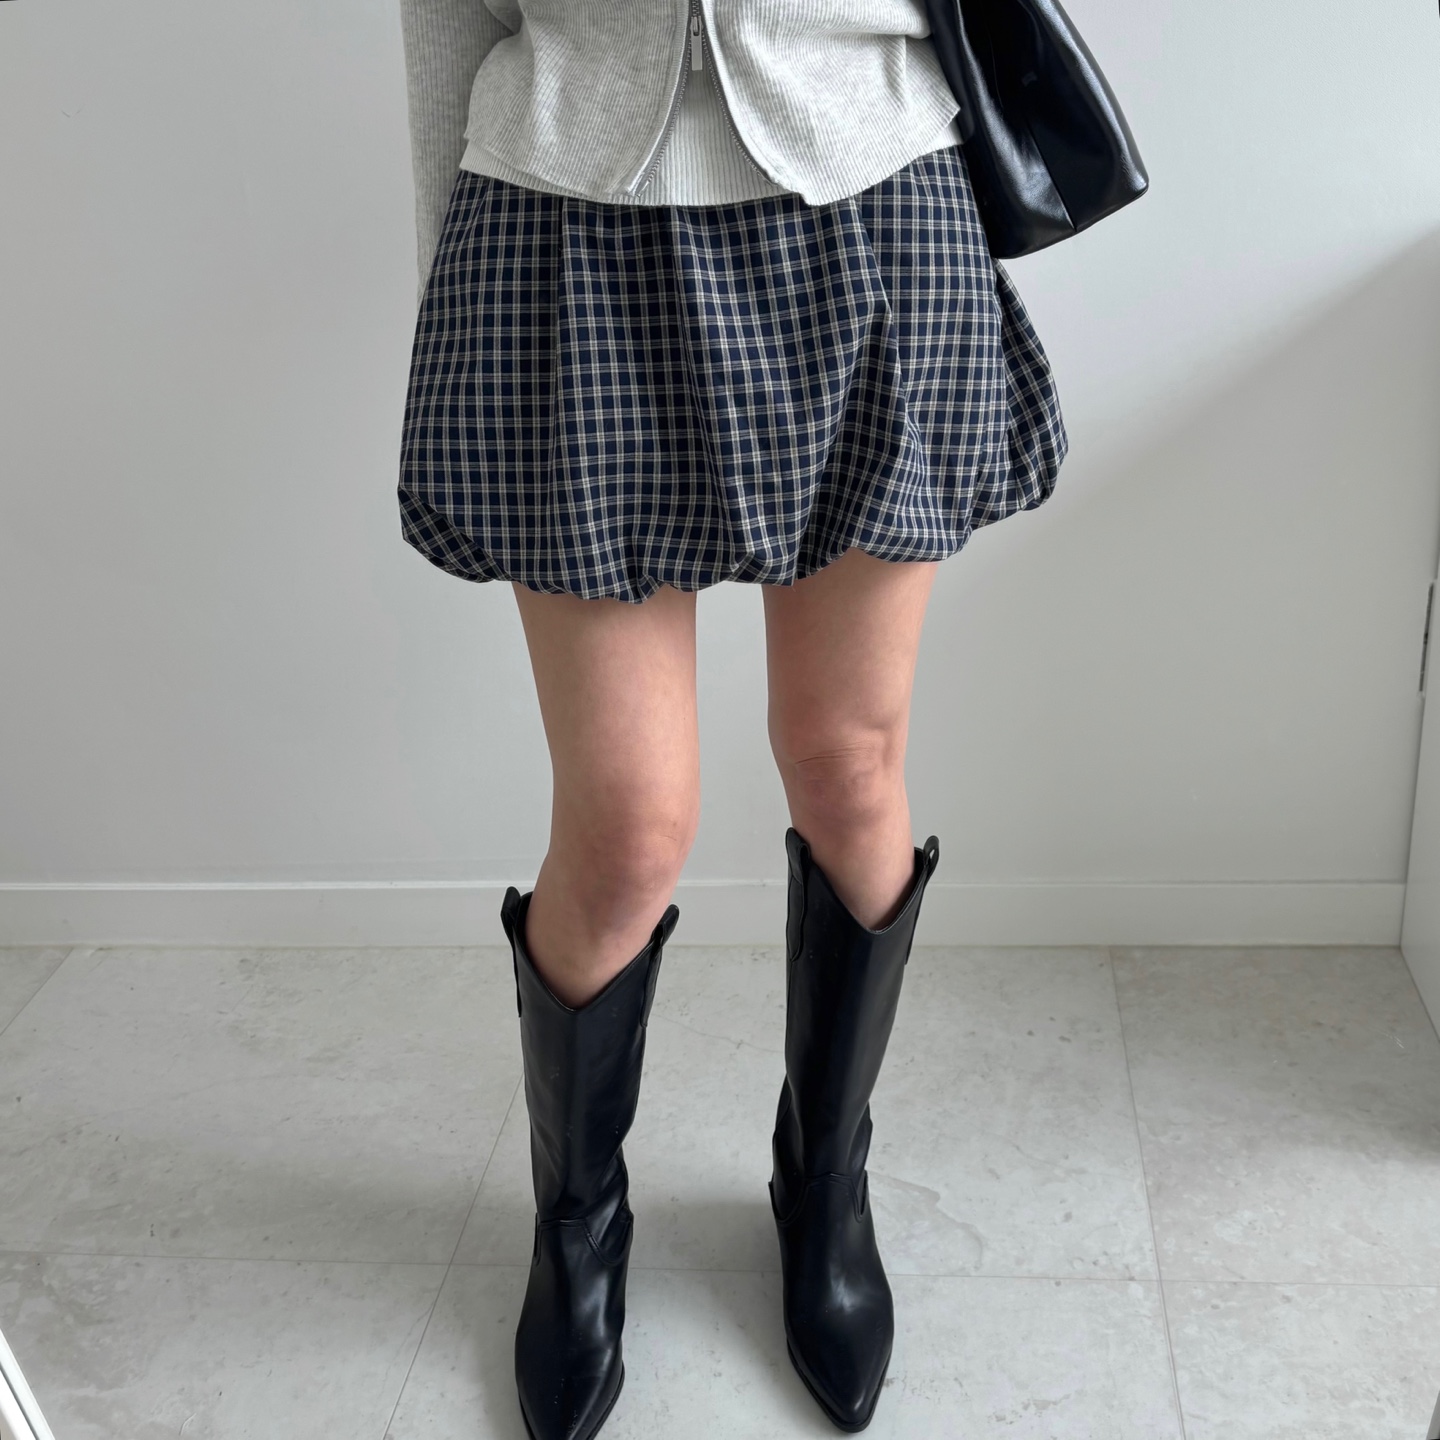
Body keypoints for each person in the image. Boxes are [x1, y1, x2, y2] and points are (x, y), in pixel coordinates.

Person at [398, 2, 1066, 1435]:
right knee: (629, 828)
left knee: (848, 765)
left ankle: (825, 1186)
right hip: (560, 233)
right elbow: (445, 17)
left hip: (872, 205)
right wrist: (446, 263)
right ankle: (577, 1222)